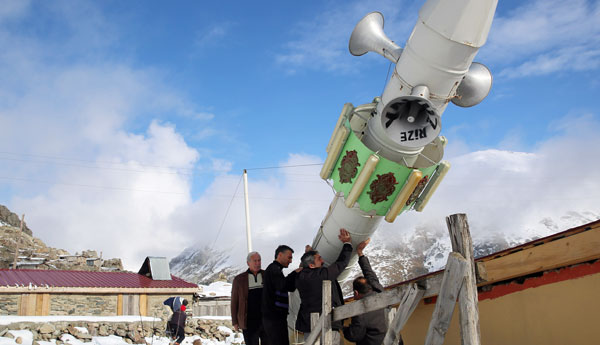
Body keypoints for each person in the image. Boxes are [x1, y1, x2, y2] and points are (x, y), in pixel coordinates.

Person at [295, 229, 353, 345]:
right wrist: (347, 244)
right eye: (319, 259)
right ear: (311, 265)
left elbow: (305, 267)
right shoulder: (321, 275)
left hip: (309, 327)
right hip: (327, 327)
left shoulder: (299, 276)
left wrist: (309, 255)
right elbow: (340, 264)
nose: (322, 260)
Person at [343, 238, 393, 345]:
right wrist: (360, 253)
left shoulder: (360, 310)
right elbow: (369, 273)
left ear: (356, 293)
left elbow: (355, 335)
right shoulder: (379, 290)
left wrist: (343, 328)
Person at [262, 245, 301, 345]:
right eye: (289, 257)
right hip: (273, 319)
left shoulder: (277, 270)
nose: (291, 261)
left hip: (278, 318)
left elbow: (289, 287)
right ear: (280, 255)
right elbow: (282, 285)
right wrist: (294, 273)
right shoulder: (273, 269)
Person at [231, 251, 269, 345]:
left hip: (266, 321)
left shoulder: (267, 275)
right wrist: (235, 322)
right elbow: (234, 301)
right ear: (248, 263)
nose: (257, 263)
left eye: (259, 260)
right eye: (254, 261)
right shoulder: (239, 279)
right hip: (249, 322)